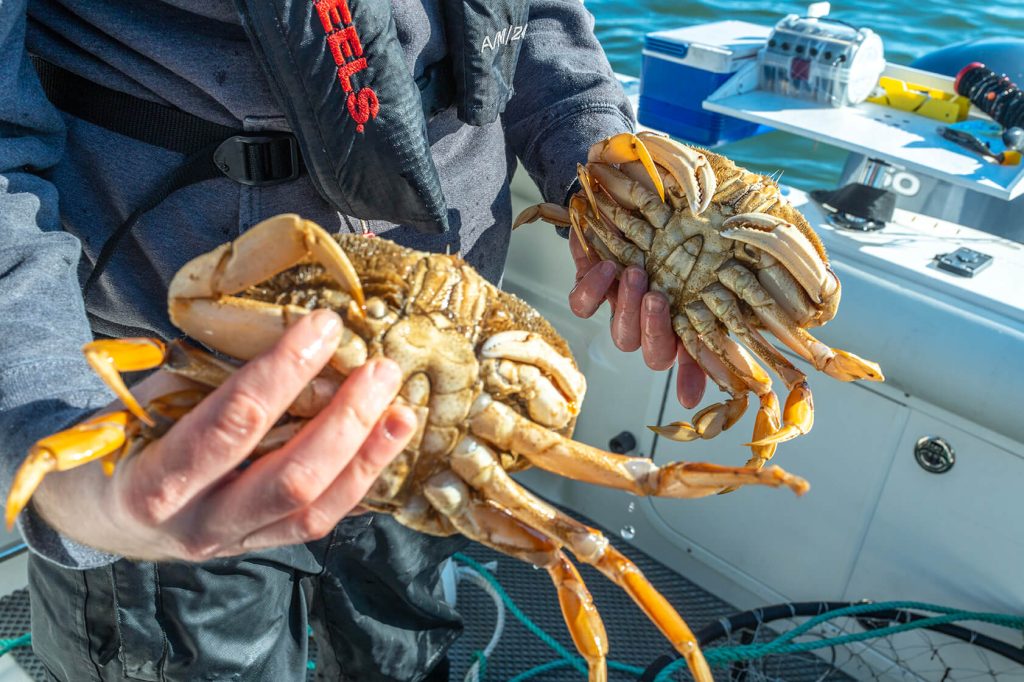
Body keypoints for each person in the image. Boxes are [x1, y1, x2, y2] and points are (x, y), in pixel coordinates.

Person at [0, 1, 706, 680]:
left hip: (448, 410)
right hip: (188, 405)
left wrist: (609, 171)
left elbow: (536, 19)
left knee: (408, 649)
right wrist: (48, 420)